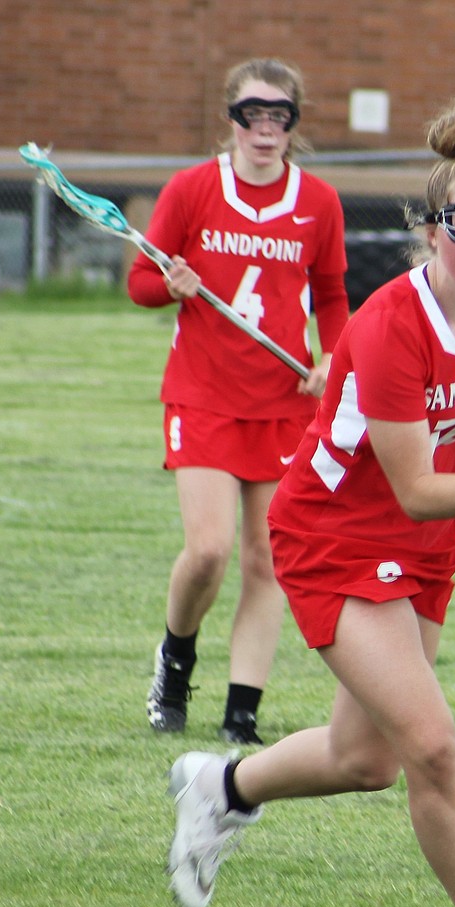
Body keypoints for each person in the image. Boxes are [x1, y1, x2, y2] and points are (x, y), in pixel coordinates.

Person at [164, 100, 455, 907]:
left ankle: (223, 788)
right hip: (334, 534)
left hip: (423, 546)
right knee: (432, 747)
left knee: (369, 759)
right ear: (433, 229)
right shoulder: (392, 325)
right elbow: (419, 486)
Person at [129, 57, 350, 744]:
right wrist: (175, 283)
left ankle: (240, 712)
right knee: (209, 551)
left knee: (269, 560)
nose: (263, 128)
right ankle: (175, 656)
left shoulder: (318, 203)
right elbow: (140, 281)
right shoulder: (193, 189)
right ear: (231, 120)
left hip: (284, 403)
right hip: (202, 396)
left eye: (278, 116)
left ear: (292, 125)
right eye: (250, 114)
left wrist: (333, 364)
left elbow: (335, 296)